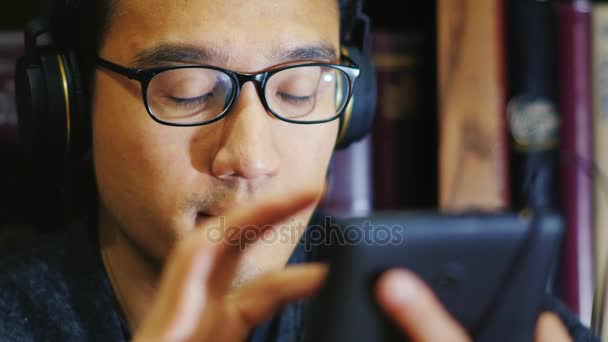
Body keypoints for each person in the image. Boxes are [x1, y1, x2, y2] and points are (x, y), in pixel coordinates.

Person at [0, 0, 599, 341]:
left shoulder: (474, 319)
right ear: (70, 101)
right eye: (185, 91)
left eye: (298, 91)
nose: (253, 160)